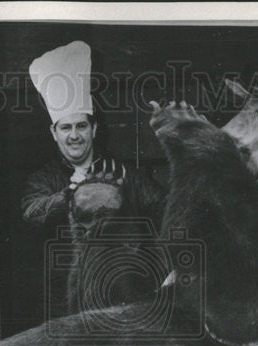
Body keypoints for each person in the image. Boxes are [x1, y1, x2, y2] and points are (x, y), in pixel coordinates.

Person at [20, 40, 163, 320]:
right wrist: (69, 195)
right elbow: (30, 211)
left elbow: (162, 206)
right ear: (54, 132)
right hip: (61, 301)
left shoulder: (123, 173)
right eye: (66, 127)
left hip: (118, 300)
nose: (74, 135)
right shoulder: (44, 178)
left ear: (94, 129)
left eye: (81, 126)